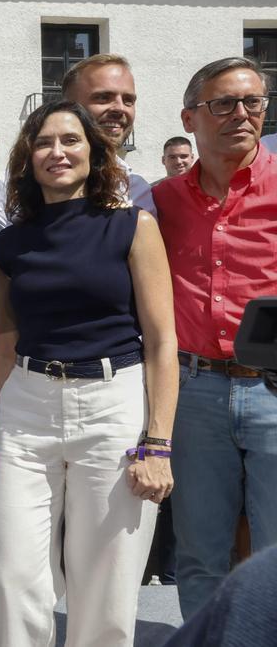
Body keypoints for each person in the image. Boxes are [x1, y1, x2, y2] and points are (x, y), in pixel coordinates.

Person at [0, 99, 177, 646]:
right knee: (12, 573)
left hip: (113, 406)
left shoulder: (132, 227)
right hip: (26, 407)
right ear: (28, 158)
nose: (58, 152)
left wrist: (158, 444)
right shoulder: (8, 244)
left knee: (106, 585)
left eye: (70, 140)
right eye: (44, 142)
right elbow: (4, 342)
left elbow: (163, 341)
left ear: (95, 152)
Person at [0, 53, 156, 462]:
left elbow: (156, 319)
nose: (118, 108)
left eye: (128, 99)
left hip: (118, 391)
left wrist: (157, 434)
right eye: (103, 97)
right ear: (68, 105)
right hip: (31, 390)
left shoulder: (142, 194)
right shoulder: (6, 196)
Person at [152, 57, 277, 619]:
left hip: (274, 390)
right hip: (194, 390)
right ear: (190, 118)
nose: (242, 114)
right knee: (200, 552)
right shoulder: (162, 201)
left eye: (253, 102)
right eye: (224, 103)